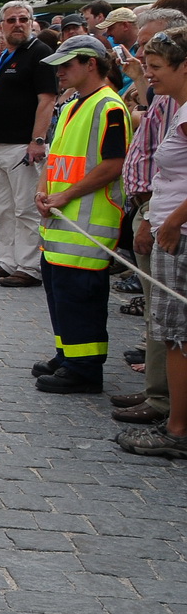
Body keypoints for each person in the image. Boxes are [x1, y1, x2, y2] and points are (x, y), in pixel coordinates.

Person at [30, 36, 130, 394]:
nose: (60, 72)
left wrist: (65, 195)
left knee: (80, 298)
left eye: (67, 64)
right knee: (61, 295)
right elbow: (57, 155)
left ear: (92, 63)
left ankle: (85, 370)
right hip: (61, 219)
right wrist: (43, 191)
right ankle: (68, 355)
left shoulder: (109, 106)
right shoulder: (74, 103)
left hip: (86, 223)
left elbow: (114, 164)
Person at [122, 26, 187, 455]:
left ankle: (177, 430)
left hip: (179, 236)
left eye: (158, 68)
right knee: (171, 333)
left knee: (178, 336)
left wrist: (171, 221)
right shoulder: (175, 107)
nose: (150, 75)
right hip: (172, 229)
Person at [0, 0, 58, 288]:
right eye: (11, 20)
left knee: (25, 210)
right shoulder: (5, 55)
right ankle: (8, 261)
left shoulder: (40, 54)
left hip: (22, 146)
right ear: (1, 26)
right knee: (3, 209)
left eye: (23, 19)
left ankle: (29, 267)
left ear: (31, 22)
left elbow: (47, 99)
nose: (18, 24)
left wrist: (37, 140)